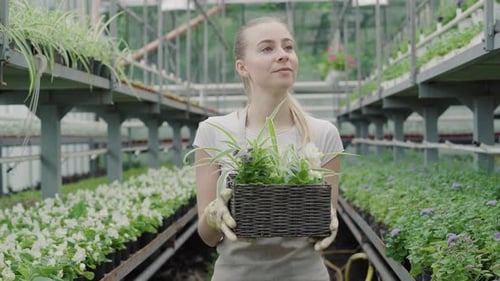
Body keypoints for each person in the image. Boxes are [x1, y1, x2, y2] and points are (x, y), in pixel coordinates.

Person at [192, 16, 344, 281]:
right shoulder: (214, 131)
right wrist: (214, 215)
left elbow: (321, 230)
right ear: (242, 67)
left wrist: (328, 221)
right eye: (267, 48)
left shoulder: (323, 134)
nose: (283, 55)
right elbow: (208, 237)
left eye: (288, 47)